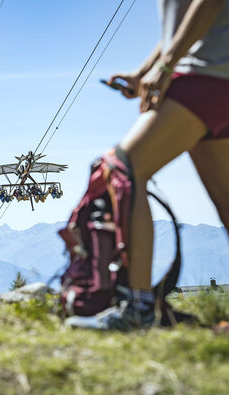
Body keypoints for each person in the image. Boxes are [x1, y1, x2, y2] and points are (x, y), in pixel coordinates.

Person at [73, 0, 229, 330]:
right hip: (214, 74)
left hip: (204, 74)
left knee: (122, 168)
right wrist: (146, 70)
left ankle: (138, 309)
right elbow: (180, 23)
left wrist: (167, 65)